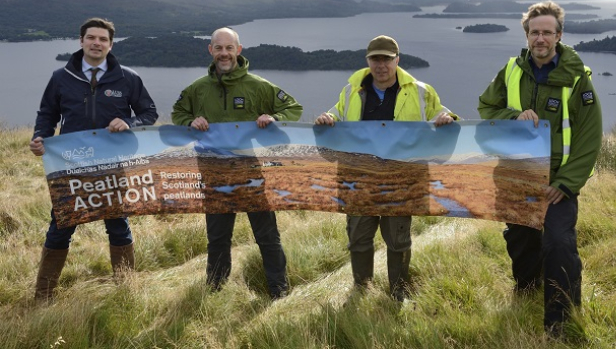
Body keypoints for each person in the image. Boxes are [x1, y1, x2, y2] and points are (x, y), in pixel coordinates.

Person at [478, 1, 602, 336]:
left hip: (559, 182)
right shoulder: (511, 71)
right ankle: (528, 287)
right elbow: (487, 106)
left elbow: (589, 138)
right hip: (518, 174)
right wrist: (512, 117)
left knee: (558, 244)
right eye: (535, 32)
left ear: (559, 35)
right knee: (521, 238)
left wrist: (564, 185)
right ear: (527, 35)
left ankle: (561, 321)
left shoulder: (578, 80)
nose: (541, 38)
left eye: (547, 32)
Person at [314, 35, 458, 301]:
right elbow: (336, 114)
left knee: (398, 241)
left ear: (397, 60)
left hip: (400, 181)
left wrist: (447, 119)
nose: (381, 65)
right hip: (359, 180)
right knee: (358, 239)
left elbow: (442, 115)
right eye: (375, 59)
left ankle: (399, 292)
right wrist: (328, 118)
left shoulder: (421, 91)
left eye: (387, 59)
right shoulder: (351, 91)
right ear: (368, 61)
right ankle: (361, 288)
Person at [30, 17, 158, 301]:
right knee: (60, 227)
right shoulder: (60, 78)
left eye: (103, 39)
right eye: (91, 38)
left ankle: (126, 289)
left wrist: (129, 122)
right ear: (81, 41)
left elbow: (149, 113)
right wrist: (41, 137)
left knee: (117, 225)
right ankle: (43, 294)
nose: (97, 43)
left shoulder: (128, 78)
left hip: (112, 166)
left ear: (110, 45)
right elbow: (47, 115)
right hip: (69, 167)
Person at [171, 27, 302, 299]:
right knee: (218, 239)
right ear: (210, 51)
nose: (224, 53)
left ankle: (279, 289)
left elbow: (293, 108)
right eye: (218, 48)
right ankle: (215, 289)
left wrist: (274, 119)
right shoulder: (197, 89)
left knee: (267, 236)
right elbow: (177, 112)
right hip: (213, 173)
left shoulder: (258, 86)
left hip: (250, 171)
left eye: (229, 48)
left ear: (238, 50)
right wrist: (189, 122)